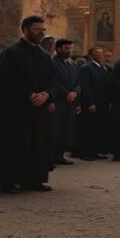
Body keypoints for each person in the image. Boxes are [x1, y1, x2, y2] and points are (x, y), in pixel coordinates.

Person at [0, 15, 55, 193]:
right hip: (15, 110)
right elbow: (8, 79)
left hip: (38, 110)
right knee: (14, 144)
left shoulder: (44, 56)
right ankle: (8, 180)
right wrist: (29, 94)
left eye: (42, 30)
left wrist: (47, 94)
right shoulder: (11, 53)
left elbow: (53, 79)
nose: (41, 33)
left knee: (36, 144)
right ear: (25, 30)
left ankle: (33, 179)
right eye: (37, 29)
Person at [48, 38, 80, 166]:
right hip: (59, 100)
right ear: (58, 49)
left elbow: (78, 81)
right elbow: (53, 81)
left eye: (70, 48)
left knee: (66, 128)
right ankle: (52, 156)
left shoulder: (71, 64)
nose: (68, 51)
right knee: (56, 129)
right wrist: (66, 93)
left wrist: (75, 93)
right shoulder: (52, 63)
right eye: (66, 48)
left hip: (71, 101)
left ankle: (60, 155)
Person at [75, 46, 111, 161]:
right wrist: (90, 103)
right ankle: (85, 152)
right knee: (88, 128)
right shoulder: (87, 68)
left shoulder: (103, 68)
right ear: (91, 55)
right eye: (97, 52)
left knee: (98, 128)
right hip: (91, 103)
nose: (100, 54)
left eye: (102, 52)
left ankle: (95, 151)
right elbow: (85, 87)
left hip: (102, 103)